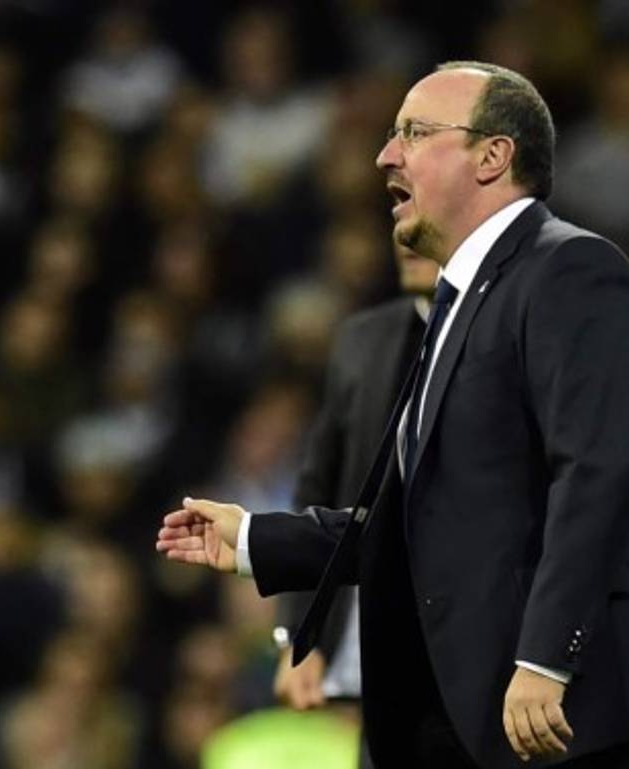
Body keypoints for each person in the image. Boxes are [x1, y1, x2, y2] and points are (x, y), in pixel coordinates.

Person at [157, 62, 629, 769]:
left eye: (415, 133)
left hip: (625, 712)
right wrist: (255, 538)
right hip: (543, 723)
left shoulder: (572, 269)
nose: (385, 155)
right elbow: (424, 521)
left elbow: (598, 469)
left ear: (493, 155)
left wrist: (547, 657)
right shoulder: (459, 306)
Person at [271, 244, 437, 769]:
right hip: (370, 636)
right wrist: (298, 635)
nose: (405, 241)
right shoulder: (362, 339)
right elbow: (316, 489)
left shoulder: (507, 329)